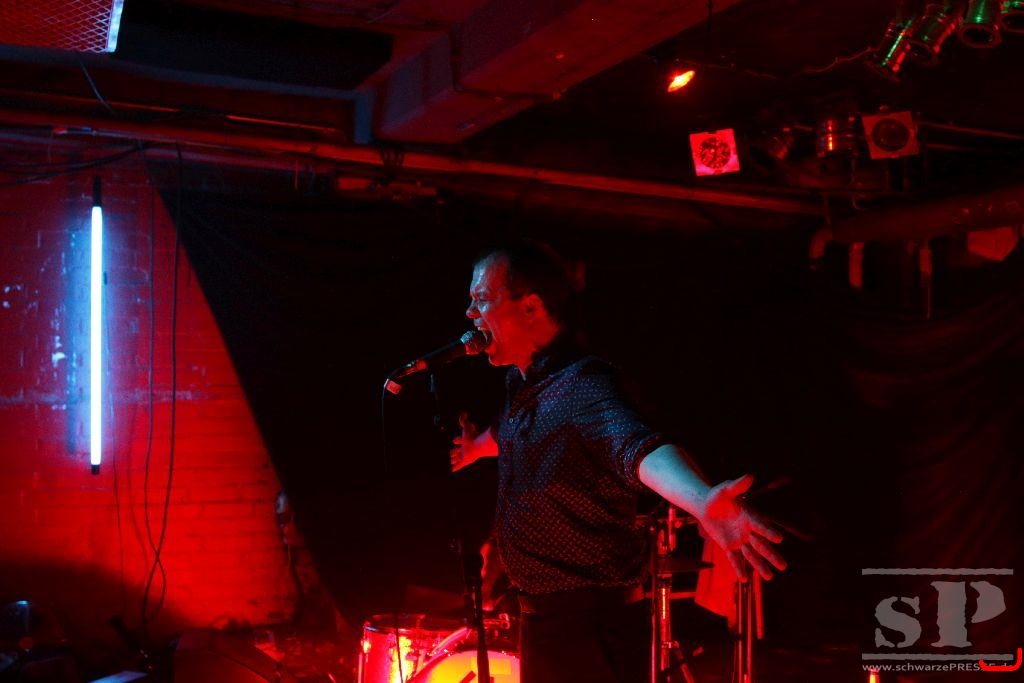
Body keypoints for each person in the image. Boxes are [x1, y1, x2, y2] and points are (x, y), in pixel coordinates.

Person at [449, 240, 786, 683]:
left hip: (590, 630)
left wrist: (701, 499)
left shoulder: (583, 387)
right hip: (547, 623)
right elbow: (512, 431)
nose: (470, 313)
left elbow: (639, 448)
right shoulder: (524, 383)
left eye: (482, 299)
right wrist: (475, 448)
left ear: (530, 306)